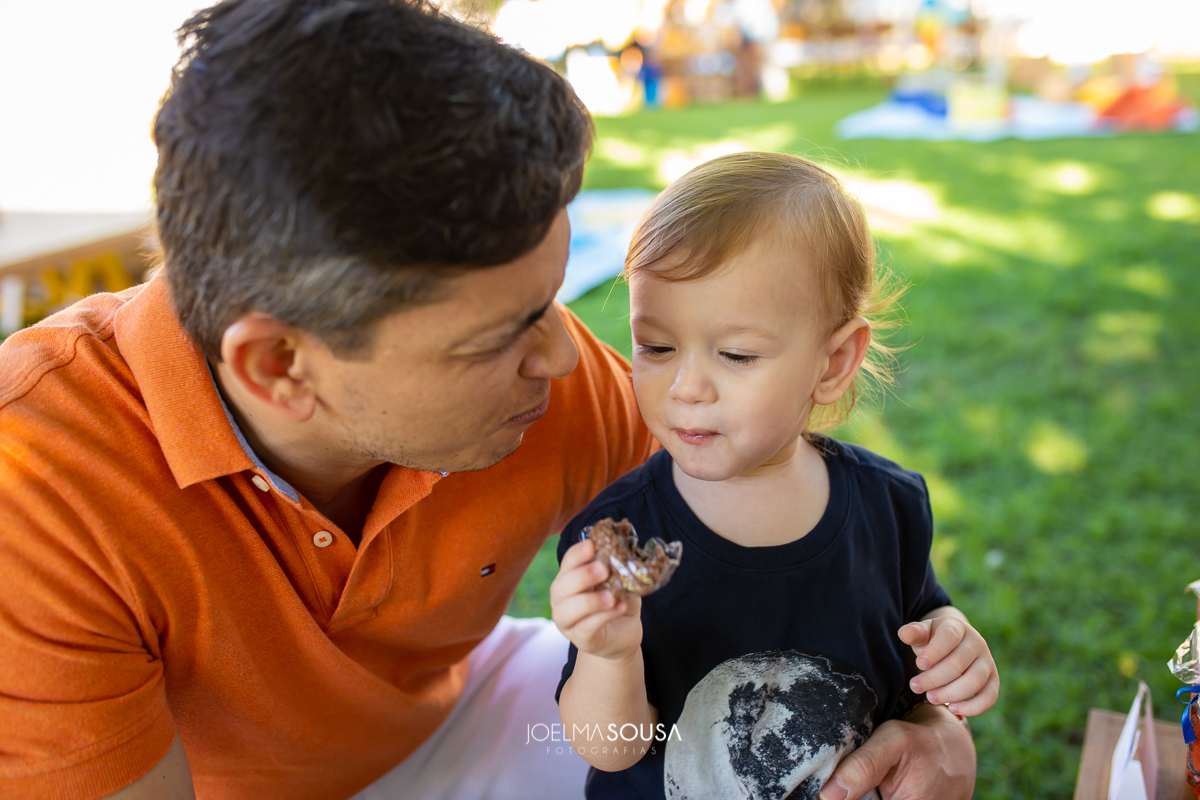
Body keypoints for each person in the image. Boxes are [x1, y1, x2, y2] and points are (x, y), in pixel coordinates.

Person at [0, 1, 977, 798]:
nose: (564, 354)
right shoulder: (35, 486)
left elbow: (798, 543)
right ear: (278, 367)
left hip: (473, 709)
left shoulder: (558, 381)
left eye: (550, 299)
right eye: (498, 333)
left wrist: (927, 720)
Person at [551, 152, 999, 800]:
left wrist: (952, 641)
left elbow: (918, 621)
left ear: (834, 361)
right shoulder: (613, 537)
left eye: (735, 354)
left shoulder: (887, 507)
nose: (685, 387)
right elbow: (611, 754)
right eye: (655, 346)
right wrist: (607, 654)